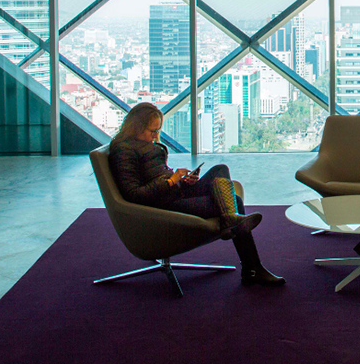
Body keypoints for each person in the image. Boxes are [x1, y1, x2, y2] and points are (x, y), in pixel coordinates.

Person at [107, 102, 285, 286]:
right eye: (152, 131)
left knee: (220, 169)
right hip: (162, 207)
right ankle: (251, 266)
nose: (155, 136)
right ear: (136, 126)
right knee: (236, 201)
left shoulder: (141, 144)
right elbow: (134, 194)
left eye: (157, 131)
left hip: (173, 194)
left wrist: (182, 181)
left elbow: (155, 176)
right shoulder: (124, 151)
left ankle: (231, 223)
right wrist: (171, 181)